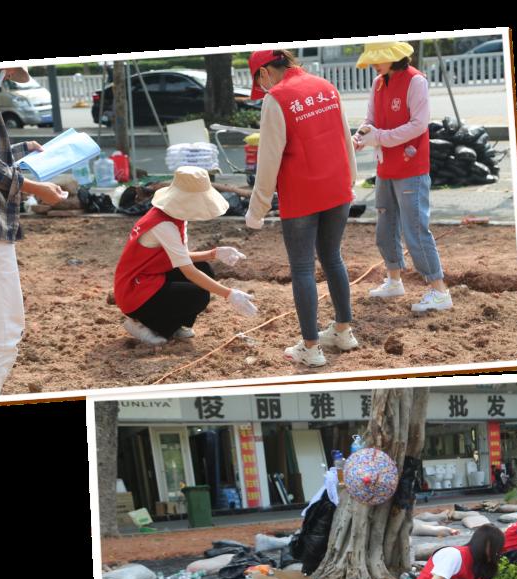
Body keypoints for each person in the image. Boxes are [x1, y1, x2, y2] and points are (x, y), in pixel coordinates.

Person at [244, 49, 358, 368]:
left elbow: (269, 160)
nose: (262, 89)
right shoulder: (325, 86)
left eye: (259, 81)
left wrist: (257, 210)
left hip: (302, 194)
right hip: (338, 188)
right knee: (333, 257)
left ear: (265, 72)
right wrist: (351, 176)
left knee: (303, 269)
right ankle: (342, 331)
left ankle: (310, 347)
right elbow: (344, 136)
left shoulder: (276, 99)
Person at [0, 66, 67, 398]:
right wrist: (33, 187)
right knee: (0, 327)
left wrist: (20, 149)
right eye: (9, 75)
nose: (6, 80)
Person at [353, 42, 452, 313]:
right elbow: (371, 119)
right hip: (385, 166)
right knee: (385, 226)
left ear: (394, 57)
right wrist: (361, 136)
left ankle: (439, 290)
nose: (373, 63)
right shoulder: (378, 83)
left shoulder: (415, 81)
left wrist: (380, 138)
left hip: (411, 168)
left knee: (415, 230)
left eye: (378, 58)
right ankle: (394, 279)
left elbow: (419, 124)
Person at [113, 166, 257, 346]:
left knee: (204, 269)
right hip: (134, 290)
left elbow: (181, 256)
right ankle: (144, 324)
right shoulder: (163, 224)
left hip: (150, 276)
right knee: (198, 295)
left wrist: (214, 254)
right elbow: (188, 271)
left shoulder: (175, 216)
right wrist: (229, 294)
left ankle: (173, 326)